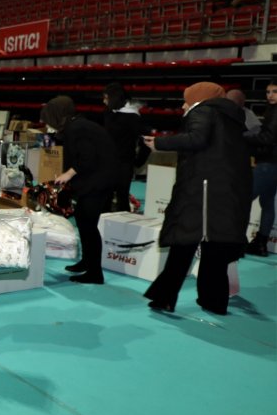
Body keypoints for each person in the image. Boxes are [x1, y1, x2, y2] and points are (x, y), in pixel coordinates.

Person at [142, 82, 251, 315]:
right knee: (215, 251)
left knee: (183, 246)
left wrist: (160, 143)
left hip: (201, 193)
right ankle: (213, 301)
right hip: (224, 193)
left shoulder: (202, 111)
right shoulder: (231, 118)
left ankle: (164, 297)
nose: (183, 105)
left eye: (186, 100)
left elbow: (196, 139)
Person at [42, 96, 119, 284]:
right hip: (96, 179)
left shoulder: (78, 129)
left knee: (88, 225)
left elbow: (87, 157)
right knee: (83, 221)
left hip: (98, 182)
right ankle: (87, 262)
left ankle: (94, 272)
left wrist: (68, 174)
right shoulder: (77, 126)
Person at [102, 83, 149, 211]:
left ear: (114, 98)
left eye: (106, 98)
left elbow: (146, 139)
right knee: (105, 195)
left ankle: (123, 226)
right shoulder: (108, 112)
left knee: (122, 197)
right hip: (108, 161)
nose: (104, 101)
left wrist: (139, 161)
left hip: (124, 163)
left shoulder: (133, 116)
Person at [243, 79, 277, 257]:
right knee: (268, 203)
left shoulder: (275, 112)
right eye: (268, 92)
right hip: (271, 163)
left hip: (269, 164)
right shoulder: (272, 110)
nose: (270, 95)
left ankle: (239, 240)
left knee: (243, 199)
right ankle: (261, 243)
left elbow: (267, 139)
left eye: (274, 91)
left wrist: (244, 138)